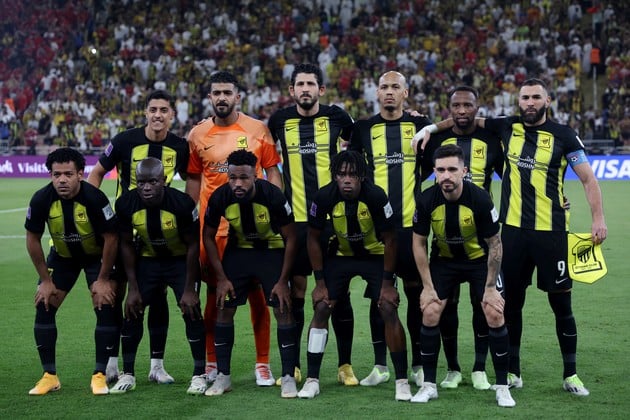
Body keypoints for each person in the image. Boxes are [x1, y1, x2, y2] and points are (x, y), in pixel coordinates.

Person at [474, 78, 607, 396]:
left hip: (552, 235)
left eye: (536, 97)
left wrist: (598, 218)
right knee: (511, 305)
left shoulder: (564, 135)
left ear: (547, 101)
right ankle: (514, 372)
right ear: (518, 101)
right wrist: (428, 127)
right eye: (525, 97)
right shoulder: (506, 126)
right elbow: (464, 120)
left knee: (562, 305)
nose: (530, 102)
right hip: (513, 234)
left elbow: (588, 179)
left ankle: (571, 374)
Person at [186, 70, 282, 386]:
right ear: (209, 97)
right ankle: (212, 361)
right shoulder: (197, 134)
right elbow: (194, 179)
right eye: (216, 93)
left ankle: (263, 363)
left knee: (258, 297)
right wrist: (190, 219)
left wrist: (275, 210)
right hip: (213, 232)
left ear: (238, 97)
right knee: (215, 297)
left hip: (252, 230)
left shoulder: (258, 130)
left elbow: (272, 171)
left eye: (227, 92)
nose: (222, 98)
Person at [88, 89, 189, 385]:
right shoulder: (124, 141)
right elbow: (97, 172)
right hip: (125, 233)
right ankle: (112, 361)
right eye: (153, 109)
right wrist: (95, 211)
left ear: (172, 115)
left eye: (163, 110)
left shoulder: (179, 146)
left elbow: (193, 180)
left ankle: (156, 365)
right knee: (117, 294)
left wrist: (186, 213)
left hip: (159, 234)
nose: (158, 115)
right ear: (145, 112)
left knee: (157, 298)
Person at [267, 63, 357, 386]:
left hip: (332, 222)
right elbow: (262, 150)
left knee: (339, 293)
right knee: (296, 292)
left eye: (311, 84)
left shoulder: (337, 118)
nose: (305, 89)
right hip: (295, 223)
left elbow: (360, 140)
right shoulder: (279, 121)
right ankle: (292, 366)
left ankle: (345, 365)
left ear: (321, 89)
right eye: (300, 84)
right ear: (291, 90)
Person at [297, 150, 411, 401]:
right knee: (322, 306)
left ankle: (402, 382)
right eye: (341, 174)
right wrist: (319, 283)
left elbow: (391, 240)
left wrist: (388, 284)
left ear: (362, 176)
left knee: (388, 307)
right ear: (334, 176)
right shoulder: (324, 196)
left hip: (375, 255)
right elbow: (312, 238)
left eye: (352, 174)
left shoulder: (376, 196)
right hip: (341, 256)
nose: (346, 180)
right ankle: (312, 380)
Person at [410, 144, 514, 407]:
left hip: (479, 261)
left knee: (494, 312)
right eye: (441, 170)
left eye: (452, 169)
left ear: (464, 171)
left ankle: (502, 387)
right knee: (430, 311)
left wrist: (490, 288)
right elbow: (419, 243)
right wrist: (427, 287)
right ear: (434, 171)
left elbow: (495, 244)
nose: (446, 175)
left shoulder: (480, 199)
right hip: (444, 262)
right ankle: (429, 385)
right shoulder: (426, 200)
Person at [349, 70, 432, 387]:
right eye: (384, 86)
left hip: (410, 228)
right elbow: (354, 170)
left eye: (395, 87)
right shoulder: (364, 129)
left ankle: (418, 364)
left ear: (405, 93)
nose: (389, 92)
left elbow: (429, 166)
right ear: (377, 92)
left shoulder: (420, 126)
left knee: (414, 294)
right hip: (376, 230)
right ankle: (380, 365)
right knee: (379, 297)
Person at [418, 86, 504, 391]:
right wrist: (428, 127)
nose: (462, 110)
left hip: (480, 239)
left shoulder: (491, 139)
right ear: (449, 108)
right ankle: (453, 368)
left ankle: (480, 367)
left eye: (468, 105)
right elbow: (418, 175)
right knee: (446, 306)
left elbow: (511, 178)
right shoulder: (436, 140)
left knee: (484, 305)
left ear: (477, 108)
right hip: (444, 242)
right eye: (457, 105)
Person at [201, 150, 298, 398]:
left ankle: (288, 377)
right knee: (224, 307)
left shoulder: (273, 196)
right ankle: (223, 377)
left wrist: (282, 281)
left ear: (255, 175)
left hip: (271, 250)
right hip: (239, 251)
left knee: (282, 308)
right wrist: (221, 278)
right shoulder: (220, 196)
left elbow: (291, 237)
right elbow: (208, 236)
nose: (237, 183)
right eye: (232, 177)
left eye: (243, 178)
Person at [25, 147, 118, 396]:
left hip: (96, 257)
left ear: (80, 174)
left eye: (68, 174)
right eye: (56, 175)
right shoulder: (41, 199)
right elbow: (32, 239)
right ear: (50, 175)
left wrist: (103, 279)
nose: (62, 180)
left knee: (104, 302)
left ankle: (99, 376)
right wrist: (45, 280)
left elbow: (111, 238)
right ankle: (49, 376)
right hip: (63, 257)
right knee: (44, 303)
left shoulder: (95, 198)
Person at [110, 158, 206, 395]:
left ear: (164, 180)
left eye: (152, 182)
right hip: (149, 260)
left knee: (191, 311)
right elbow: (125, 244)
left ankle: (199, 375)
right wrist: (133, 288)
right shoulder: (125, 204)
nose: (146, 187)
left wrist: (190, 288)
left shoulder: (182, 204)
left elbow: (194, 245)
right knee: (132, 310)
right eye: (141, 182)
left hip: (180, 261)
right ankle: (128, 374)